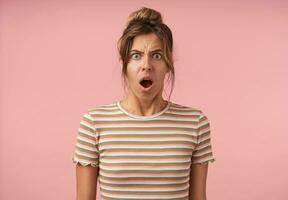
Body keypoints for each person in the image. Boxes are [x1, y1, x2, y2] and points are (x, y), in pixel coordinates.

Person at [72, 6, 216, 200]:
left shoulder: (195, 123)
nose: (146, 65)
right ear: (125, 65)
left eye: (157, 55)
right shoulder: (94, 123)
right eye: (136, 56)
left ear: (168, 65)